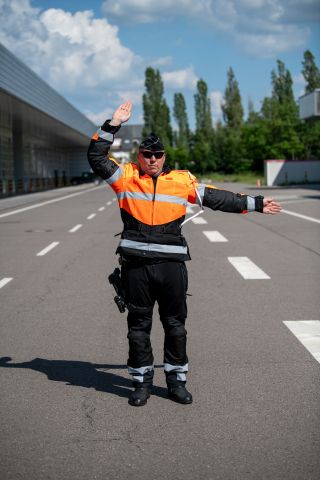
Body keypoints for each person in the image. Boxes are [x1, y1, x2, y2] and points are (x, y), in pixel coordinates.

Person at [87, 101, 282, 407]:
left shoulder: (182, 180)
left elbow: (217, 198)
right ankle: (141, 384)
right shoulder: (124, 177)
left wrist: (255, 203)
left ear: (165, 157)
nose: (152, 159)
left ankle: (177, 381)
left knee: (175, 326)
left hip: (171, 267)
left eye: (158, 155)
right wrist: (113, 123)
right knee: (138, 328)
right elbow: (96, 156)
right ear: (139, 156)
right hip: (136, 267)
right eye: (147, 154)